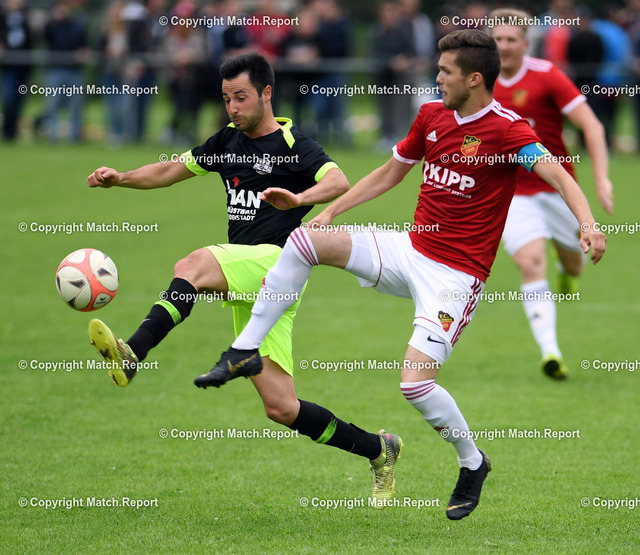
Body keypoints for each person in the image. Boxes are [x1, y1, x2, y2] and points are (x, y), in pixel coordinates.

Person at [203, 30, 607, 520]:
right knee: (305, 240)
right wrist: (326, 210)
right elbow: (390, 172)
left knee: (415, 386)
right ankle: (245, 349)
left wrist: (588, 225)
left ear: (473, 79)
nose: (436, 78)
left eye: (445, 71)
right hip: (408, 249)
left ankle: (472, 462)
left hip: (454, 278)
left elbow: (559, 175)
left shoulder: (508, 130)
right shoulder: (432, 115)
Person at [86, 52, 402, 506]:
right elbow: (170, 170)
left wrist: (299, 199)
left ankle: (133, 351)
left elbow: (338, 182)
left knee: (192, 266)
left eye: (241, 97)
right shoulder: (226, 140)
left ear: (266, 93)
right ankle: (378, 449)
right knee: (282, 407)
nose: (232, 108)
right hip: (251, 280)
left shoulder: (294, 145)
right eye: (226, 99)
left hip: (277, 263)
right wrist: (120, 178)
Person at [489, 8, 614, 379]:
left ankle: (566, 268)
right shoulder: (481, 80)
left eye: (511, 39)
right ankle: (551, 352)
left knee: (575, 264)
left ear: (526, 43)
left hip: (558, 188)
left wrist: (602, 179)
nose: (504, 46)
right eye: (498, 39)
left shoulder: (546, 76)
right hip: (512, 194)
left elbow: (592, 126)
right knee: (529, 263)